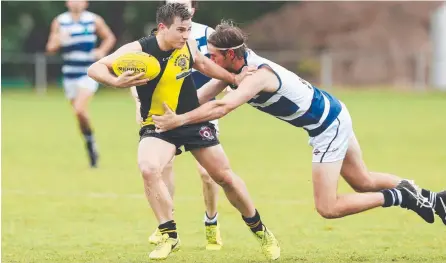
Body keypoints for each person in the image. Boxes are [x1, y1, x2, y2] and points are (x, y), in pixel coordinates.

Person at [152, 21, 446, 226]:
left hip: (327, 126)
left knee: (327, 208)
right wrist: (159, 117)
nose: (208, 60)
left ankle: (399, 197)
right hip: (334, 111)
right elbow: (203, 97)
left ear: (230, 55)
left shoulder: (257, 75)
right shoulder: (234, 69)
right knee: (363, 181)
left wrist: (179, 120)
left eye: (213, 55)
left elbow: (223, 106)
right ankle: (434, 200)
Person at [88, 3, 280, 260]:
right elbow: (96, 68)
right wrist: (114, 81)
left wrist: (234, 79)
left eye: (189, 29)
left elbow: (202, 63)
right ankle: (169, 235)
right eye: (180, 30)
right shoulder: (139, 49)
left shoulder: (187, 44)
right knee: (148, 167)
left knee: (224, 178)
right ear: (162, 28)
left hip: (192, 119)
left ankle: (261, 232)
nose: (186, 35)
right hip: (159, 124)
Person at [130, 0, 224, 251]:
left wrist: (211, 94)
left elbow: (218, 65)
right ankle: (166, 227)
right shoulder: (161, 33)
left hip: (200, 108)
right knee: (160, 167)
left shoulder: (207, 35)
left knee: (207, 173)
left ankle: (211, 221)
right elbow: (138, 67)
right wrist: (139, 104)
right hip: (165, 112)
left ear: (194, 8)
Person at [46, 0, 116, 168]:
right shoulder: (60, 21)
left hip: (89, 73)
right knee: (80, 115)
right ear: (67, 3)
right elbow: (50, 47)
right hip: (69, 74)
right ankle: (91, 143)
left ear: (86, 3)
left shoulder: (94, 20)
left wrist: (101, 51)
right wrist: (59, 40)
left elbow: (109, 38)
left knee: (79, 108)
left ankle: (91, 146)